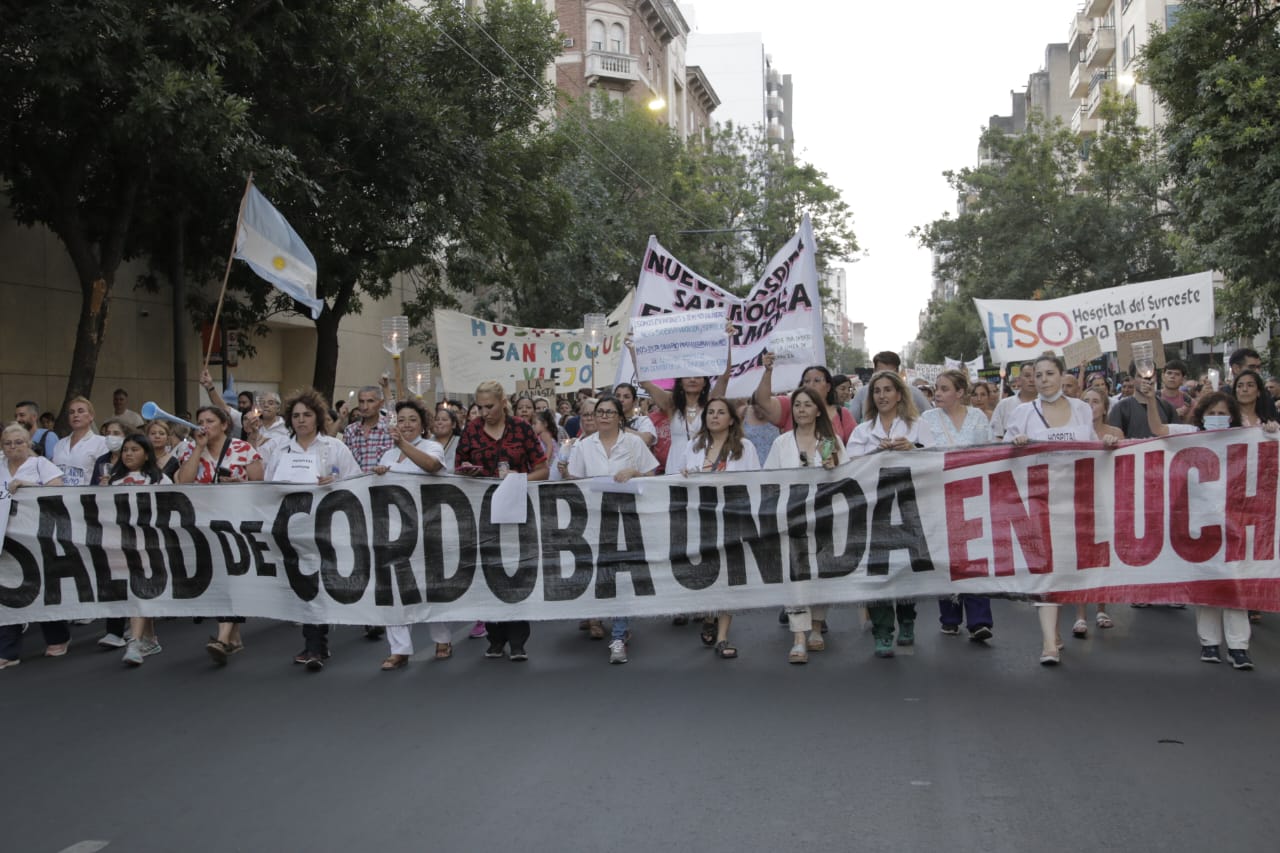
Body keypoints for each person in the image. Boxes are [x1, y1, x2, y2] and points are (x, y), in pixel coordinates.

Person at [1139, 387, 1277, 669]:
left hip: (1235, 523)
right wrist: (1151, 399)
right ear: (1202, 416)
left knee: (1235, 584)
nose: (1216, 418)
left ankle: (1239, 646)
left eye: (1222, 414)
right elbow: (1157, 428)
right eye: (1211, 413)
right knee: (1207, 581)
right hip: (1200, 525)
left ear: (1232, 417)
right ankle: (1209, 643)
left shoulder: (1248, 436)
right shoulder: (1190, 433)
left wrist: (1272, 430)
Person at [1004, 352, 1095, 666]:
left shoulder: (1082, 410)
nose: (1043, 380)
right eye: (1037, 375)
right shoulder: (1022, 412)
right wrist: (1014, 443)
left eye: (1048, 374)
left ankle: (1054, 632)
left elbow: (1094, 449)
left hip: (1077, 501)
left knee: (1067, 571)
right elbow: (1001, 453)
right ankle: (1048, 644)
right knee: (1046, 571)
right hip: (1039, 500)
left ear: (1061, 375)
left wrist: (1109, 441)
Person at [265, 389, 363, 670]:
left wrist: (334, 482)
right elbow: (268, 487)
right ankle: (314, 643)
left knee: (322, 582)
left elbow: (355, 480)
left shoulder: (334, 447)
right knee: (305, 583)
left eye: (307, 415)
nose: (301, 420)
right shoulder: (280, 450)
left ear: (318, 417)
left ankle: (316, 645)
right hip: (293, 526)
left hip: (328, 524)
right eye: (295, 416)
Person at [455, 380, 549, 661]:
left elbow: (542, 470)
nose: (484, 412)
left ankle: (518, 640)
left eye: (490, 406)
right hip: (482, 512)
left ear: (503, 401)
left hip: (517, 511)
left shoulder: (521, 428)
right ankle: (495, 638)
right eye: (480, 407)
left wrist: (517, 480)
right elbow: (457, 467)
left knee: (517, 573)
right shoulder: (471, 430)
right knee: (489, 573)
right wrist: (468, 472)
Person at [567, 395, 659, 664]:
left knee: (622, 575)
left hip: (628, 518)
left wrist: (635, 473)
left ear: (620, 417)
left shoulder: (633, 443)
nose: (604, 416)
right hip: (595, 520)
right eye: (600, 412)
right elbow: (575, 481)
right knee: (602, 573)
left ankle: (618, 633)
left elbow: (653, 476)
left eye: (610, 412)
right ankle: (606, 619)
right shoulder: (584, 446)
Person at [372, 399, 459, 670]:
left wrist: (403, 445)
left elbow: (431, 466)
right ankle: (399, 648)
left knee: (430, 585)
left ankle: (442, 638)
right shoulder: (387, 455)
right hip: (394, 530)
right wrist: (378, 473)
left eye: (412, 419)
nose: (406, 424)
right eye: (401, 419)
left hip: (427, 527)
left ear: (423, 424)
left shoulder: (432, 446)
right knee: (394, 589)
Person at [177, 405, 264, 665]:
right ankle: (233, 638)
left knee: (234, 577)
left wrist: (241, 484)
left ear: (224, 424)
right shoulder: (193, 450)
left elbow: (262, 486)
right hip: (206, 523)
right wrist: (199, 449)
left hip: (238, 523)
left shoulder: (244, 449)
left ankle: (223, 636)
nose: (204, 425)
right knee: (219, 580)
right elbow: (183, 482)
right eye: (200, 421)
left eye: (210, 421)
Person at [764, 388, 846, 663]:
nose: (801, 410)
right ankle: (798, 635)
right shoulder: (782, 443)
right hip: (792, 518)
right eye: (797, 405)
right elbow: (768, 480)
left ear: (818, 410)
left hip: (824, 517)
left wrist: (832, 465)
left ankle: (816, 626)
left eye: (807, 405)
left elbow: (847, 477)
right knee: (796, 575)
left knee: (821, 572)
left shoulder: (831, 440)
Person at [918, 370, 996, 642]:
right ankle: (950, 617)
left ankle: (979, 620)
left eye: (944, 388)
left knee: (975, 555)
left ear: (960, 392)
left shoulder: (978, 418)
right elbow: (921, 455)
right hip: (939, 495)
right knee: (945, 556)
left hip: (973, 494)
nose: (937, 393)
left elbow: (989, 454)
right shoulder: (927, 419)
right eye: (936, 388)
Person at [681, 396, 760, 659]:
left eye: (721, 412)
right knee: (705, 574)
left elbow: (755, 482)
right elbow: (679, 478)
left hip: (732, 519)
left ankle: (724, 636)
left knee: (729, 577)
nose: (714, 416)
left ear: (731, 418)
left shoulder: (745, 447)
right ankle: (708, 614)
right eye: (710, 412)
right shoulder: (694, 446)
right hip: (701, 521)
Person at [848, 371, 921, 656]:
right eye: (877, 391)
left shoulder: (917, 426)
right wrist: (874, 453)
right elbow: (850, 467)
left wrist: (912, 449)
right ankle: (882, 631)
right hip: (872, 511)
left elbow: (937, 459)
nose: (882, 395)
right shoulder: (862, 431)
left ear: (899, 394)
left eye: (888, 390)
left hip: (908, 508)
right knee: (877, 570)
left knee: (904, 567)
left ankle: (906, 619)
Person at [0, 423, 68, 667]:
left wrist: (30, 488)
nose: (13, 447)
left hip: (37, 537)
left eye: (19, 442)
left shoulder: (40, 465)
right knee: (7, 591)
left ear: (28, 443)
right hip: (5, 540)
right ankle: (8, 650)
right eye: (8, 443)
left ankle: (57, 636)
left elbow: (60, 490)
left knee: (41, 587)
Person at [624, 323, 733, 475]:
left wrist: (727, 341)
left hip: (704, 465)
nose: (693, 380)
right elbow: (645, 382)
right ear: (680, 381)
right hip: (675, 466)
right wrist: (633, 350)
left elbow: (724, 377)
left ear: (705, 382)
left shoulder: (712, 402)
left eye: (698, 376)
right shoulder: (671, 403)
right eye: (688, 376)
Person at [108, 434, 170, 666]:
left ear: (146, 454)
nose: (128, 454)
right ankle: (149, 638)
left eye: (135, 449)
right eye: (125, 450)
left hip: (149, 543)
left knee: (140, 589)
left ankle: (134, 641)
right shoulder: (114, 481)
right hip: (122, 544)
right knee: (138, 591)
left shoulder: (159, 479)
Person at [753, 356, 857, 444]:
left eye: (817, 380)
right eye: (806, 381)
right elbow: (762, 401)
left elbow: (854, 448)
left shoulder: (842, 414)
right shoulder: (789, 405)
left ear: (828, 387)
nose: (811, 385)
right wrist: (768, 371)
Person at [850, 352, 931, 419]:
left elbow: (931, 418)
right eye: (881, 373)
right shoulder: (862, 393)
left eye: (889, 374)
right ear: (874, 371)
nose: (882, 396)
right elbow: (851, 420)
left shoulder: (914, 393)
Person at [1108, 362, 1176, 439]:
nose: (1145, 380)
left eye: (1149, 376)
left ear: (1155, 376)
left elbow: (1178, 438)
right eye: (1140, 376)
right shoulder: (1120, 408)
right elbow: (1114, 440)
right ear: (1132, 379)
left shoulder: (1167, 407)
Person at [51, 396, 108, 486]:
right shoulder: (60, 444)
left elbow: (104, 475)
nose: (75, 415)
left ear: (91, 416)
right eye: (71, 412)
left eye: (80, 411)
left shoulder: (102, 443)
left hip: (86, 497)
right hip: (60, 496)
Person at [342, 385, 395, 474]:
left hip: (383, 485)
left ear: (381, 403)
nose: (365, 407)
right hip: (356, 486)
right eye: (361, 401)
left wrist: (386, 387)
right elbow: (343, 464)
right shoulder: (350, 430)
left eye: (370, 401)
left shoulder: (390, 428)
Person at [990, 363, 1036, 438]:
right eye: (1027, 376)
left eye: (1036, 376)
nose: (1032, 380)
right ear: (1019, 378)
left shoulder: (1047, 404)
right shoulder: (1004, 404)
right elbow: (995, 435)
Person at [612, 382, 656, 448]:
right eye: (618, 396)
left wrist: (620, 428)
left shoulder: (643, 421)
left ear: (635, 401)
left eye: (626, 397)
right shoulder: (606, 419)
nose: (621, 400)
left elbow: (647, 439)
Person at [92, 419, 128, 485]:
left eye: (116, 433)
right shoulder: (101, 460)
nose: (111, 436)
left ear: (126, 436)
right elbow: (93, 486)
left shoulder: (130, 459)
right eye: (108, 433)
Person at [430, 406, 462, 472]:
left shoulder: (461, 442)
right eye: (436, 419)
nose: (439, 422)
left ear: (453, 425)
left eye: (444, 420)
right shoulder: (426, 442)